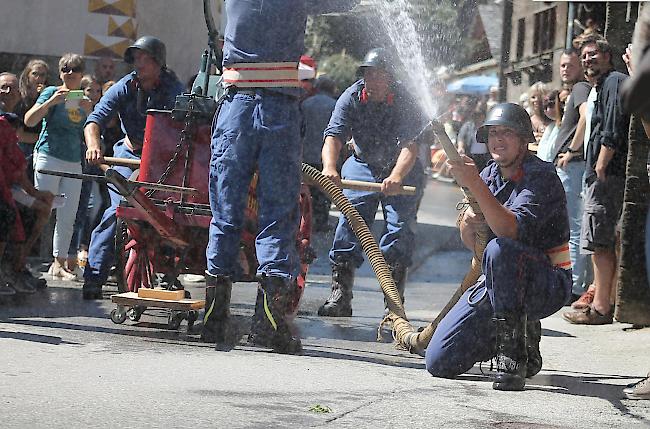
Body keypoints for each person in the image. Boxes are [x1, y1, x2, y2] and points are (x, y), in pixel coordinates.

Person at [202, 1, 359, 353]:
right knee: (277, 215)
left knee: (225, 215)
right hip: (278, 112)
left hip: (236, 108)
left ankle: (213, 321)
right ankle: (268, 326)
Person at [425, 103, 571, 391]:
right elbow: (474, 245)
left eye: (507, 133)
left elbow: (508, 231)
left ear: (524, 139)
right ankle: (509, 335)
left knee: (501, 249)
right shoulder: (490, 174)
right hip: (501, 283)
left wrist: (474, 184)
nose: (498, 140)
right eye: (492, 133)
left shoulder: (541, 176)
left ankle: (513, 355)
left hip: (546, 283)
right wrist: (468, 218)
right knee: (439, 361)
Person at [316, 47, 425, 318]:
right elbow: (334, 136)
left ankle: (393, 303)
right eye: (369, 75)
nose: (374, 81)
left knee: (399, 228)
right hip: (363, 162)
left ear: (390, 78)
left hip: (402, 166)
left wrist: (397, 177)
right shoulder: (351, 96)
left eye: (380, 76)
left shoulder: (405, 99)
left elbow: (411, 146)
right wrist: (330, 168)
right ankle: (340, 294)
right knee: (350, 216)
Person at [83, 36, 184, 299]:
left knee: (171, 216)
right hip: (128, 156)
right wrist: (94, 145)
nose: (138, 63)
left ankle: (169, 269)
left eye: (145, 58)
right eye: (136, 58)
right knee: (119, 212)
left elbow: (188, 128)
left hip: (165, 162)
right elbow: (94, 120)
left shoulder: (175, 90)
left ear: (158, 63)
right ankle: (94, 277)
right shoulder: (124, 86)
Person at [562, 35, 630, 325]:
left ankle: (601, 309)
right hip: (603, 173)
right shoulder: (601, 86)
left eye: (593, 54)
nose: (588, 60)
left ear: (607, 56)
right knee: (602, 241)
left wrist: (600, 166)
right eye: (585, 56)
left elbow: (613, 126)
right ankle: (605, 300)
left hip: (606, 175)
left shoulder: (614, 81)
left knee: (599, 242)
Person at [24, 53, 93, 281]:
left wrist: (89, 111)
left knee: (68, 215)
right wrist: (51, 101)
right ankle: (20, 259)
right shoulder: (50, 91)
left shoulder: (82, 99)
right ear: (60, 72)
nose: (70, 73)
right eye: (65, 69)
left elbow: (86, 129)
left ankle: (59, 262)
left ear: (82, 74)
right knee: (42, 210)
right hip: (48, 156)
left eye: (74, 69)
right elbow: (29, 121)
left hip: (73, 160)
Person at [554, 48, 594, 304]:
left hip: (573, 165)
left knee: (574, 227)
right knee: (573, 226)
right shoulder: (576, 89)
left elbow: (584, 117)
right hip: (573, 165)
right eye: (562, 66)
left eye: (569, 64)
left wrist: (572, 149)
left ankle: (575, 286)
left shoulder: (580, 88)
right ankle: (575, 282)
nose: (564, 69)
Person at [301, 75, 338, 232]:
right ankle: (321, 222)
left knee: (307, 190)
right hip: (326, 157)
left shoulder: (305, 104)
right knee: (324, 191)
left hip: (306, 154)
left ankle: (306, 221)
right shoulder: (335, 106)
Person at [457, 102, 490, 171]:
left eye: (479, 115)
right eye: (475, 115)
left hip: (484, 156)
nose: (477, 117)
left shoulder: (487, 127)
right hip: (470, 153)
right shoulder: (468, 126)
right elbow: (461, 137)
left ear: (483, 116)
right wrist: (460, 147)